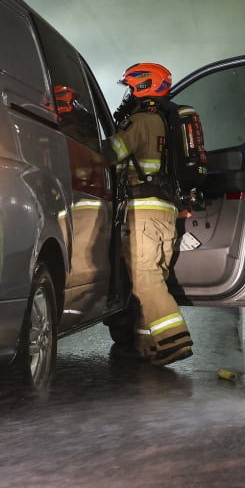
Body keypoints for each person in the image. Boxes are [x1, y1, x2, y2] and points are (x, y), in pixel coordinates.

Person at [108, 62, 193, 366]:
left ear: (145, 85)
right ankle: (148, 345)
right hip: (166, 210)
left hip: (143, 209)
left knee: (145, 280)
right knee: (155, 276)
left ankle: (174, 341)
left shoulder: (141, 121)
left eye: (132, 87)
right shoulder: (168, 123)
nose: (129, 93)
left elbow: (111, 154)